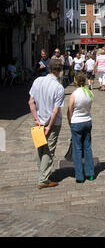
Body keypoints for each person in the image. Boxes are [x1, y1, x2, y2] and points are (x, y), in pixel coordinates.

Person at [28, 59, 65, 189]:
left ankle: (42, 174)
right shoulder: (59, 87)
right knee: (49, 150)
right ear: (60, 70)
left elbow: (31, 102)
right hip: (52, 124)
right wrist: (49, 126)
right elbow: (55, 110)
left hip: (40, 122)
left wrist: (36, 119)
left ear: (49, 68)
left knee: (40, 148)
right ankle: (43, 179)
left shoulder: (38, 81)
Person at [67, 72, 95, 183]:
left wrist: (70, 121)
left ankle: (79, 176)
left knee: (77, 149)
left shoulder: (74, 94)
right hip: (87, 120)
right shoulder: (89, 93)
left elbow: (70, 110)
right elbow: (89, 107)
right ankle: (90, 173)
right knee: (88, 148)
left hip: (76, 122)